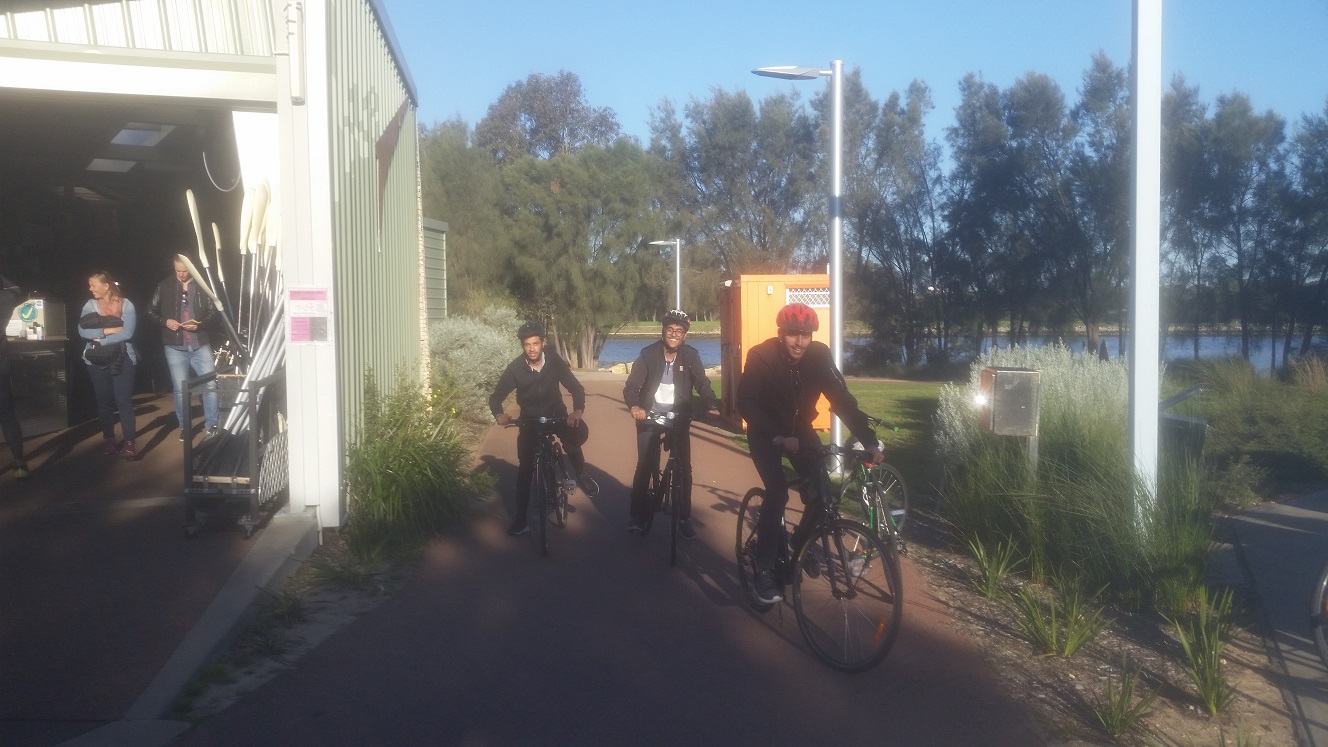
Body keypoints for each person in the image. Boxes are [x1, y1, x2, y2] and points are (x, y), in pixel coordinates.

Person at [736, 302, 884, 605]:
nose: (799, 341)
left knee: (822, 490)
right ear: (781, 333)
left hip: (800, 430)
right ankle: (764, 568)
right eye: (793, 334)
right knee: (777, 492)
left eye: (806, 335)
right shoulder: (761, 355)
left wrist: (869, 439)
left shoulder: (820, 355)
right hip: (765, 432)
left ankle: (800, 542)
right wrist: (777, 435)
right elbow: (746, 403)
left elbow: (842, 400)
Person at [489, 320, 599, 536]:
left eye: (535, 344)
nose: (531, 349)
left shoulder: (554, 361)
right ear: (523, 345)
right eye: (527, 344)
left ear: (543, 343)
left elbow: (576, 388)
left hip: (556, 414)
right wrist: (499, 415)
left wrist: (577, 411)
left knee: (571, 441)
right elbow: (496, 397)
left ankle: (581, 474)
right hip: (529, 420)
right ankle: (521, 519)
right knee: (525, 469)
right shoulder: (515, 368)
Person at [623, 309, 720, 539]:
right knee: (645, 464)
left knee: (684, 467)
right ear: (663, 331)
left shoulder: (690, 356)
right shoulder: (648, 354)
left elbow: (702, 382)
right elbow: (632, 385)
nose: (674, 334)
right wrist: (635, 406)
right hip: (649, 416)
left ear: (685, 335)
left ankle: (684, 517)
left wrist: (711, 404)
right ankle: (638, 515)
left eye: (679, 331)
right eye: (670, 329)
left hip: (678, 417)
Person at [147, 258, 220, 441]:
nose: (180, 274)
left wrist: (200, 324)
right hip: (175, 346)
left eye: (184, 271)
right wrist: (165, 321)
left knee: (211, 385)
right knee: (180, 389)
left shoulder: (202, 285)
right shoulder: (164, 285)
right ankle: (185, 428)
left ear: (191, 268)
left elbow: (214, 311)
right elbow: (149, 311)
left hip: (199, 343)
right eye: (177, 270)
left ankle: (212, 425)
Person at [79, 272, 139, 460]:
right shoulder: (89, 305)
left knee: (123, 401)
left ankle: (129, 443)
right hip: (96, 359)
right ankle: (109, 440)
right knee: (104, 402)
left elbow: (128, 333)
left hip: (123, 357)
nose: (90, 289)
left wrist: (102, 339)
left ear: (106, 286)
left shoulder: (126, 304)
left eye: (93, 285)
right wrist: (109, 330)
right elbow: (82, 331)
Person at [0, 270, 29, 478]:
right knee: (8, 415)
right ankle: (19, 464)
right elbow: (15, 289)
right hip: (1, 370)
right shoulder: (4, 300)